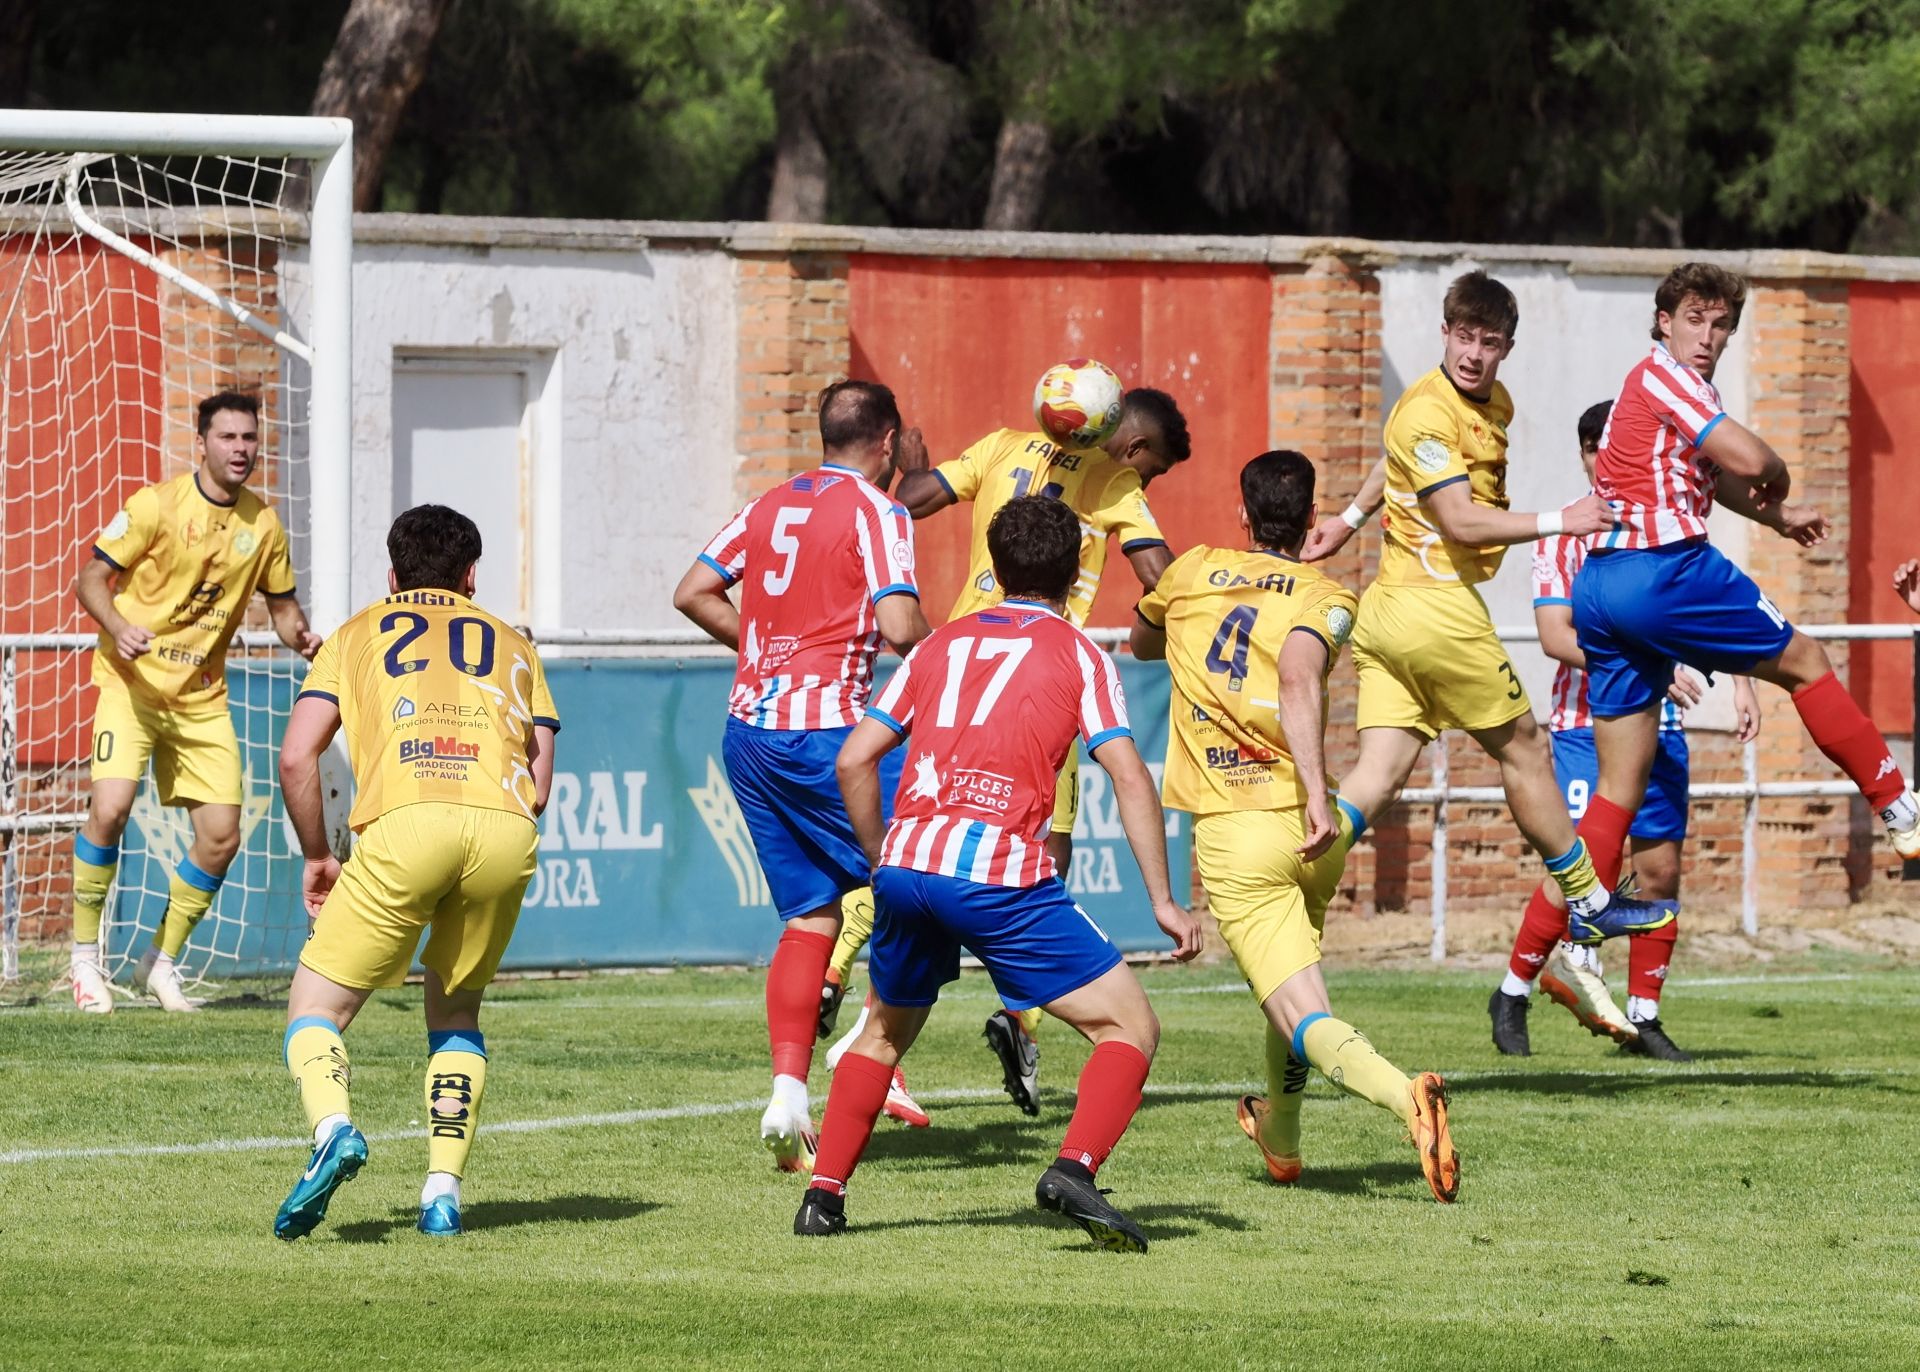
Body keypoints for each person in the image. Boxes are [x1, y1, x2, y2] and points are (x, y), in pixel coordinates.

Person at [796, 495, 1202, 1251]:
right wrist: (1165, 902)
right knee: (1131, 1026)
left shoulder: (937, 647)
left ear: (995, 564)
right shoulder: (1080, 652)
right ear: (1078, 568)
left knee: (884, 1033)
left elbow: (854, 758)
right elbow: (1128, 776)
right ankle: (1073, 1169)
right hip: (998, 876)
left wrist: (884, 854)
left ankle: (824, 1197)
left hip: (909, 868)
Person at [822, 384, 1192, 1120]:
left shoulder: (1000, 444)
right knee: (1036, 866)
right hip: (1039, 678)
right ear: (1132, 446)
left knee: (926, 844)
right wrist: (1197, 596)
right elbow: (1159, 574)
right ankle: (1015, 1016)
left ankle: (856, 984)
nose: (1142, 485)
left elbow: (916, 497)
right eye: (1151, 473)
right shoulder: (1114, 482)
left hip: (952, 671)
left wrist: (913, 468)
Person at [1301, 271, 1676, 948]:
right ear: (1444, 332)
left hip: (1387, 612)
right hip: (1437, 609)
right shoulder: (1425, 410)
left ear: (1507, 347)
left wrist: (1349, 521)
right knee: (1527, 750)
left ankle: (1297, 874)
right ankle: (1589, 900)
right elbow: (1460, 521)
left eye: (1490, 341)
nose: (1474, 352)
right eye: (1464, 337)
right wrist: (1567, 518)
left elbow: (1398, 467)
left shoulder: (1486, 400)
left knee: (1378, 776)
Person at [1132, 450, 1458, 1203]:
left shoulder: (1190, 571)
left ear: (1241, 515)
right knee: (1288, 986)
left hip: (1237, 833)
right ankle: (1281, 1138)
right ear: (1313, 519)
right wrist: (1318, 795)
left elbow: (1150, 644)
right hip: (1314, 835)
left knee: (1301, 1008)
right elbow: (1302, 670)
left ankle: (1406, 1094)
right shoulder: (1327, 594)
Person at [1561, 264, 1918, 949]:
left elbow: (1713, 475)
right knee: (1808, 662)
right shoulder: (1668, 376)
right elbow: (1751, 460)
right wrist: (1779, 477)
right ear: (1664, 321)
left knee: (1619, 781)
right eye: (1695, 319)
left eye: (1721, 324)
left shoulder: (1661, 388)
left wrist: (1779, 520)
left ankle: (1584, 912)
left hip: (1601, 589)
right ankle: (1898, 804)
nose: (1709, 335)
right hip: (1663, 572)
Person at [272, 504, 559, 1239]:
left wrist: (317, 853)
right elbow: (539, 780)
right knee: (456, 1011)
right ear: (471, 576)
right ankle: (441, 1195)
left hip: (408, 820)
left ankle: (333, 1129)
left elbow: (298, 756)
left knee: (316, 1007)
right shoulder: (514, 644)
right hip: (502, 827)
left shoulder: (356, 632)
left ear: (392, 574)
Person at [674, 380, 933, 1171]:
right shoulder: (879, 511)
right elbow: (898, 627)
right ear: (888, 443)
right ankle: (869, 1042)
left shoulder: (771, 503)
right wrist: (949, 659)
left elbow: (692, 592)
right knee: (919, 879)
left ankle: (787, 1095)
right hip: (827, 734)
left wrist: (761, 653)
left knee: (812, 915)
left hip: (749, 732)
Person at [1489, 401, 1760, 1063]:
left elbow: (1709, 611)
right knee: (1585, 867)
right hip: (1591, 725)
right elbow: (1557, 638)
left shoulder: (1672, 526)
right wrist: (1645, 659)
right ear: (1589, 457)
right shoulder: (1565, 533)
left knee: (1661, 870)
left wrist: (1744, 679)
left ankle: (1645, 1017)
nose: (1604, 461)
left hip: (1662, 727)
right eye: (1593, 451)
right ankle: (1515, 987)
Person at [68, 391, 321, 1014]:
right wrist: (119, 627)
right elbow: (91, 578)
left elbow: (284, 610)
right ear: (202, 443)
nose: (241, 449)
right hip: (132, 686)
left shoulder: (263, 525)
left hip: (202, 699)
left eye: (249, 439)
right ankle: (82, 962)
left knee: (220, 836)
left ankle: (159, 961)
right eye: (229, 438)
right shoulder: (155, 506)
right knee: (111, 808)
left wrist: (306, 639)